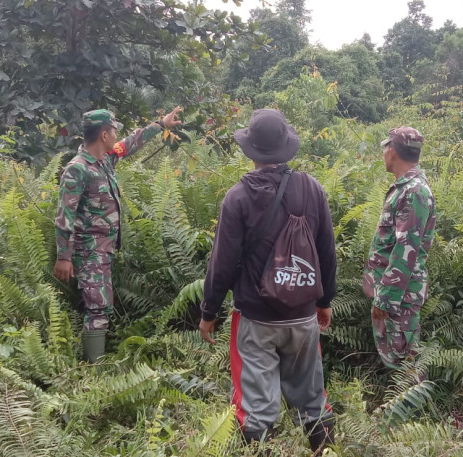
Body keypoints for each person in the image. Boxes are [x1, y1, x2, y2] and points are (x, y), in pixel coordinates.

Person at [198, 109, 337, 455]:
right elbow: (326, 252)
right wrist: (324, 302)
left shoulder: (238, 197)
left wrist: (209, 311)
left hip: (256, 320)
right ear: (286, 147)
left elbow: (223, 262)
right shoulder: (312, 189)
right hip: (304, 317)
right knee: (312, 399)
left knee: (256, 410)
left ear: (251, 150)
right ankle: (326, 450)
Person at [54, 106, 183, 362]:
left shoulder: (105, 160)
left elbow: (130, 143)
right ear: (103, 134)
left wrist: (161, 124)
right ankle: (96, 374)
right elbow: (64, 216)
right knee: (98, 307)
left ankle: (95, 364)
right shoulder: (77, 169)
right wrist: (63, 257)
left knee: (99, 304)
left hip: (104, 249)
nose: (116, 135)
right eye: (113, 130)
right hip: (89, 250)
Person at [363, 127, 437, 369]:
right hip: (396, 293)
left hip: (399, 297)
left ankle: (412, 407)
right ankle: (400, 405)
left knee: (405, 362)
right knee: (396, 358)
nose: (384, 153)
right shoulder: (405, 188)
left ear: (392, 151)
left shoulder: (413, 191)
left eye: (385, 148)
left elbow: (406, 250)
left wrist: (385, 300)